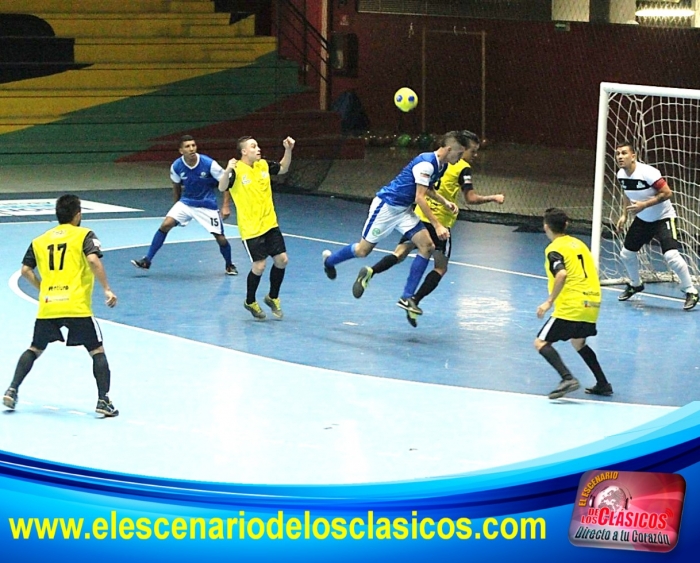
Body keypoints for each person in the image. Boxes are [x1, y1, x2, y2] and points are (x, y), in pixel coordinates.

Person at [351, 130, 505, 326]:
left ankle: (371, 271)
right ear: (461, 149)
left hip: (419, 216)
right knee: (440, 267)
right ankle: (413, 300)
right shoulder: (461, 167)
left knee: (399, 254)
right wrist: (493, 198)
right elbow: (470, 198)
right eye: (471, 151)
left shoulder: (438, 161)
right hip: (440, 221)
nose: (473, 155)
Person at [322, 130, 471, 318]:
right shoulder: (426, 164)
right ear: (449, 149)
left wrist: (444, 202)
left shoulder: (441, 165)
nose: (460, 157)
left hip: (404, 211)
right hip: (387, 207)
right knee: (362, 250)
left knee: (427, 246)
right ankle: (329, 261)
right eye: (459, 153)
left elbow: (429, 189)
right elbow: (420, 197)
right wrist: (438, 225)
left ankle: (407, 297)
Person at [3, 195, 119, 416]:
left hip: (49, 306)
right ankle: (103, 400)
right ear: (77, 215)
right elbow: (93, 260)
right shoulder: (84, 235)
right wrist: (106, 289)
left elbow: (26, 270)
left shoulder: (40, 240)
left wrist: (43, 289)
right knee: (96, 350)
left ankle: (12, 388)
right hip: (77, 306)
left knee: (35, 348)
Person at [131, 135, 238, 275]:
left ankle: (229, 265)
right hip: (186, 203)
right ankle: (147, 261)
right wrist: (176, 206)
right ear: (181, 150)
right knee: (165, 225)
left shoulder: (209, 163)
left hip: (207, 205)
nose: (192, 148)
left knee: (220, 238)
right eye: (187, 146)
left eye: (193, 145)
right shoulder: (176, 166)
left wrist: (225, 206)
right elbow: (176, 186)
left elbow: (225, 183)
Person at [535, 208, 612, 400]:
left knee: (540, 343)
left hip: (572, 305)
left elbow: (561, 273)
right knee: (578, 342)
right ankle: (603, 383)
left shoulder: (554, 249)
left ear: (546, 226)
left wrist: (548, 302)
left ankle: (567, 378)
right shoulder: (579, 244)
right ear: (566, 225)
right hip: (593, 302)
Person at [614, 141, 698, 310]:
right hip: (643, 220)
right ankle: (636, 284)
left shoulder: (648, 173)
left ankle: (691, 291)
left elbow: (667, 193)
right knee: (626, 254)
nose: (620, 157)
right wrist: (623, 215)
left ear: (633, 156)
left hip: (664, 218)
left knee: (671, 256)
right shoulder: (621, 174)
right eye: (618, 154)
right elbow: (626, 193)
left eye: (624, 153)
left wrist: (644, 205)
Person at [218, 136, 295, 320]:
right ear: (244, 151)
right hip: (251, 229)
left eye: (258, 145)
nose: (258, 149)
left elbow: (283, 168)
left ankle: (272, 297)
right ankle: (250, 301)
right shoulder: (236, 171)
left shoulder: (263, 165)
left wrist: (288, 150)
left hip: (270, 223)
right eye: (253, 146)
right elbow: (222, 187)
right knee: (259, 265)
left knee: (282, 260)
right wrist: (228, 168)